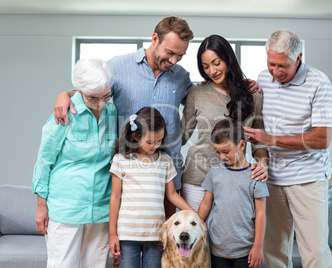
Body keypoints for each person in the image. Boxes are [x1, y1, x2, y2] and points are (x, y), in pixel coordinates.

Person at [53, 17, 260, 217]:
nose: (173, 60)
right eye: (170, 53)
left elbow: (209, 97)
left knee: (166, 242)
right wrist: (66, 94)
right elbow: (90, 90)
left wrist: (244, 86)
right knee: (130, 238)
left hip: (167, 174)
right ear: (155, 39)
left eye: (180, 56)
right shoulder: (118, 66)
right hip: (130, 171)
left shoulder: (181, 76)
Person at [243, 30, 332, 268]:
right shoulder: (264, 79)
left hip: (308, 178)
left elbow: (322, 139)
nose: (276, 71)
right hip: (272, 178)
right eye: (271, 63)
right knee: (275, 249)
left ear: (299, 57)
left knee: (314, 250)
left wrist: (271, 139)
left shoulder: (318, 82)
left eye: (283, 65)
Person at [32, 58, 117, 267]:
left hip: (101, 207)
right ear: (78, 90)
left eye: (106, 96)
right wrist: (41, 207)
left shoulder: (112, 112)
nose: (100, 103)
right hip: (66, 206)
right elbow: (44, 161)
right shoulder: (64, 113)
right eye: (93, 98)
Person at [181, 34, 268, 211]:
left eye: (216, 63)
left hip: (236, 179)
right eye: (205, 66)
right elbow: (183, 134)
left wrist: (263, 164)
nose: (212, 71)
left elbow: (258, 140)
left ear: (228, 59)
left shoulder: (253, 94)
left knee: (229, 236)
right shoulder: (197, 93)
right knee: (196, 237)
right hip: (197, 179)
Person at [108, 107, 197, 268]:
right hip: (128, 234)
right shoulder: (121, 160)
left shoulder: (165, 161)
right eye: (150, 141)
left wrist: (193, 214)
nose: (155, 145)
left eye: (159, 140)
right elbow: (115, 197)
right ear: (135, 136)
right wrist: (113, 234)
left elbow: (172, 195)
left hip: (156, 235)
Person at [198, 119, 268, 268]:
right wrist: (196, 224)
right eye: (217, 152)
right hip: (218, 249)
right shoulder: (214, 172)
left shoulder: (256, 175)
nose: (221, 156)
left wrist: (258, 247)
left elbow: (261, 214)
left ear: (241, 145)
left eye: (226, 151)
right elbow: (206, 203)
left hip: (245, 251)